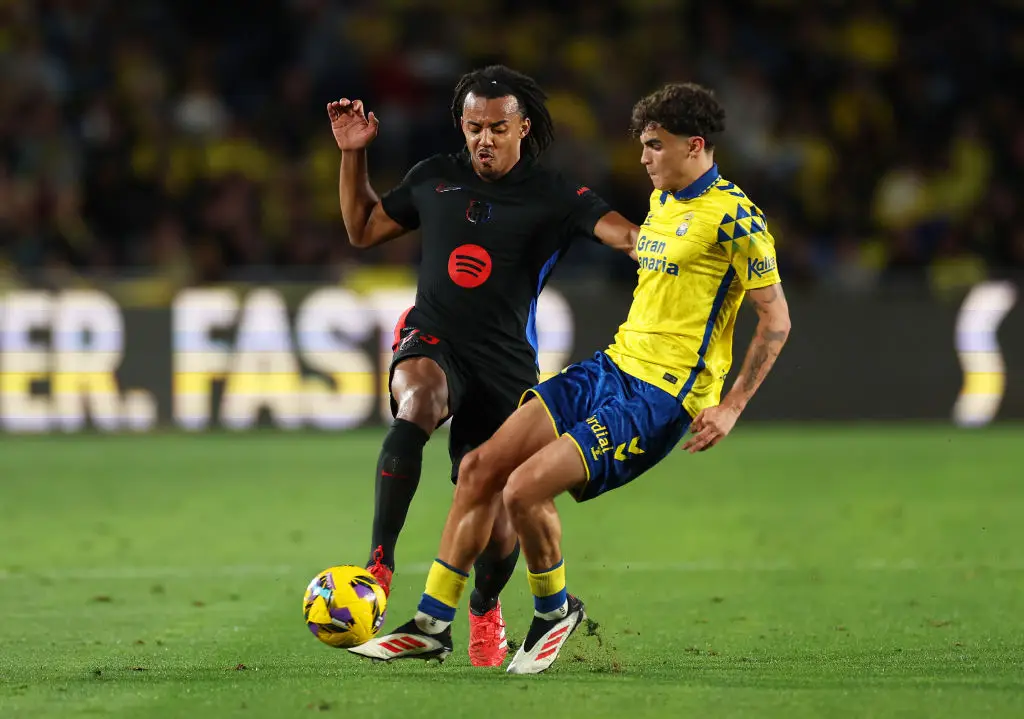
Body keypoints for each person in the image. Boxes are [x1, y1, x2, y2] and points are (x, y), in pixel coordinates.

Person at [349, 82, 792, 673]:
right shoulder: (665, 201)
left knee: (523, 488)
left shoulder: (738, 219)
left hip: (661, 396)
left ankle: (554, 610)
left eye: (655, 146)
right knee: (480, 468)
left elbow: (776, 320)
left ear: (696, 145)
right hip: (611, 367)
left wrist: (732, 405)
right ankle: (431, 624)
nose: (642, 158)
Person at [327, 65, 637, 667]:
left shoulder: (554, 194)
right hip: (434, 338)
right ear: (461, 128)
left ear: (523, 127)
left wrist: (664, 239)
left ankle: (484, 606)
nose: (484, 140)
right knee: (417, 398)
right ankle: (379, 568)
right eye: (474, 128)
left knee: (495, 523)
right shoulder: (434, 178)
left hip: (505, 367)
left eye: (498, 127)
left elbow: (620, 233)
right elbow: (362, 229)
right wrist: (353, 156)